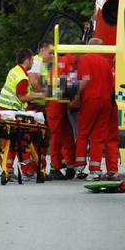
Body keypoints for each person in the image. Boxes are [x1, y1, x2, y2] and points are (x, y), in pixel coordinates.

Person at [0, 47, 46, 177]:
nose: (32, 63)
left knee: (11, 140)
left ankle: (9, 167)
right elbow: (22, 97)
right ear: (28, 60)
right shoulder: (22, 77)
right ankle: (28, 167)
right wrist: (41, 95)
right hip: (12, 112)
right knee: (22, 139)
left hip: (4, 109)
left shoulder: (14, 70)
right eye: (32, 60)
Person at [74, 40, 118, 180]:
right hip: (106, 102)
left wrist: (72, 93)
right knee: (98, 137)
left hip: (91, 100)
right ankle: (95, 170)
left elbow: (85, 79)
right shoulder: (106, 63)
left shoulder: (85, 59)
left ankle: (80, 166)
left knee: (83, 133)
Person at [47, 49, 77, 180]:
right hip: (57, 101)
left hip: (58, 102)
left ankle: (66, 165)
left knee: (64, 134)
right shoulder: (68, 60)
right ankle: (57, 166)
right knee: (59, 135)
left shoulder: (59, 62)